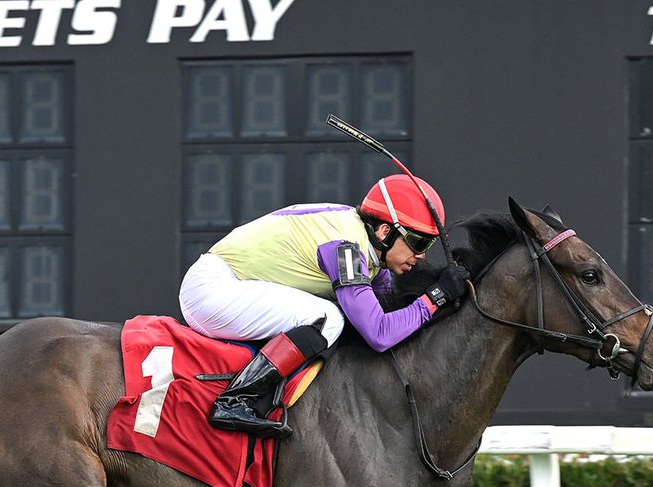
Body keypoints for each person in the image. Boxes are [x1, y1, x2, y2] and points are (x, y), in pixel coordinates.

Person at [179, 174, 471, 439]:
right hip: (212, 290)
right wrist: (436, 297)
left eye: (428, 246)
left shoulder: (368, 250)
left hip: (228, 285)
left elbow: (388, 313)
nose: (421, 255)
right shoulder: (346, 248)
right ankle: (235, 401)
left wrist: (435, 295)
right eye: (418, 242)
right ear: (385, 232)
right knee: (329, 318)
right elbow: (379, 333)